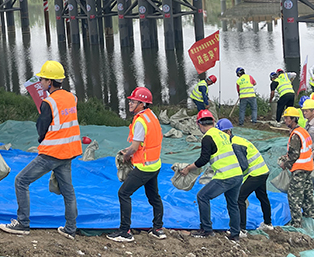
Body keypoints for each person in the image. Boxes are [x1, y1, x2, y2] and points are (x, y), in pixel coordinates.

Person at [0, 61, 81, 239]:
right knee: (68, 191)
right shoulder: (71, 98)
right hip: (68, 152)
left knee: (21, 181)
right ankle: (70, 229)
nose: (41, 82)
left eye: (43, 79)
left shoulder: (48, 102)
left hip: (51, 153)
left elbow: (41, 129)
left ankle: (22, 223)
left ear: (50, 82)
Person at [107, 87, 166, 242]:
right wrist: (131, 150)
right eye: (130, 101)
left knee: (123, 193)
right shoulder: (151, 116)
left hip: (144, 167)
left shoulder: (140, 121)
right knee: (154, 196)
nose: (130, 104)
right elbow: (145, 142)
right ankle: (158, 228)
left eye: (133, 101)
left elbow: (135, 147)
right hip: (155, 165)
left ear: (142, 103)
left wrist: (126, 156)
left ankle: (125, 231)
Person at [179, 110, 243, 241]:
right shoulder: (223, 135)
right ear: (213, 121)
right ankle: (235, 234)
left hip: (225, 176)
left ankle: (207, 230)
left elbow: (203, 159)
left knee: (202, 196)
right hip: (237, 174)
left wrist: (188, 168)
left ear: (199, 124)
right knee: (233, 204)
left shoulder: (208, 137)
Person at [216, 119, 272, 235]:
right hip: (262, 170)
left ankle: (241, 229)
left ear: (228, 132)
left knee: (239, 198)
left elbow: (243, 165)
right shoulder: (237, 140)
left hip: (255, 173)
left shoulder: (235, 145)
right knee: (262, 197)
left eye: (221, 134)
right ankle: (268, 224)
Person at [279, 107, 314, 227]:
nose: (285, 121)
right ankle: (310, 214)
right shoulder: (303, 131)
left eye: (287, 118)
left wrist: (285, 164)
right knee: (307, 193)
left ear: (293, 119)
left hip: (299, 168)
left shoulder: (296, 135)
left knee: (294, 195)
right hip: (308, 166)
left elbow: (294, 154)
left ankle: (296, 223)